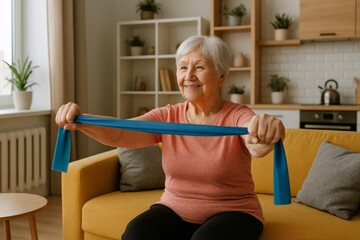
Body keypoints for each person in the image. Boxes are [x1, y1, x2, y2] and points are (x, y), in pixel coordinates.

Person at [56, 35, 285, 240]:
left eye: (199, 67)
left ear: (221, 76)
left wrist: (264, 133)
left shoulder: (237, 115)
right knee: (136, 233)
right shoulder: (168, 116)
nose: (188, 76)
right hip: (175, 209)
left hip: (235, 212)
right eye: (183, 67)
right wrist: (81, 120)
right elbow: (122, 132)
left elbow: (255, 142)